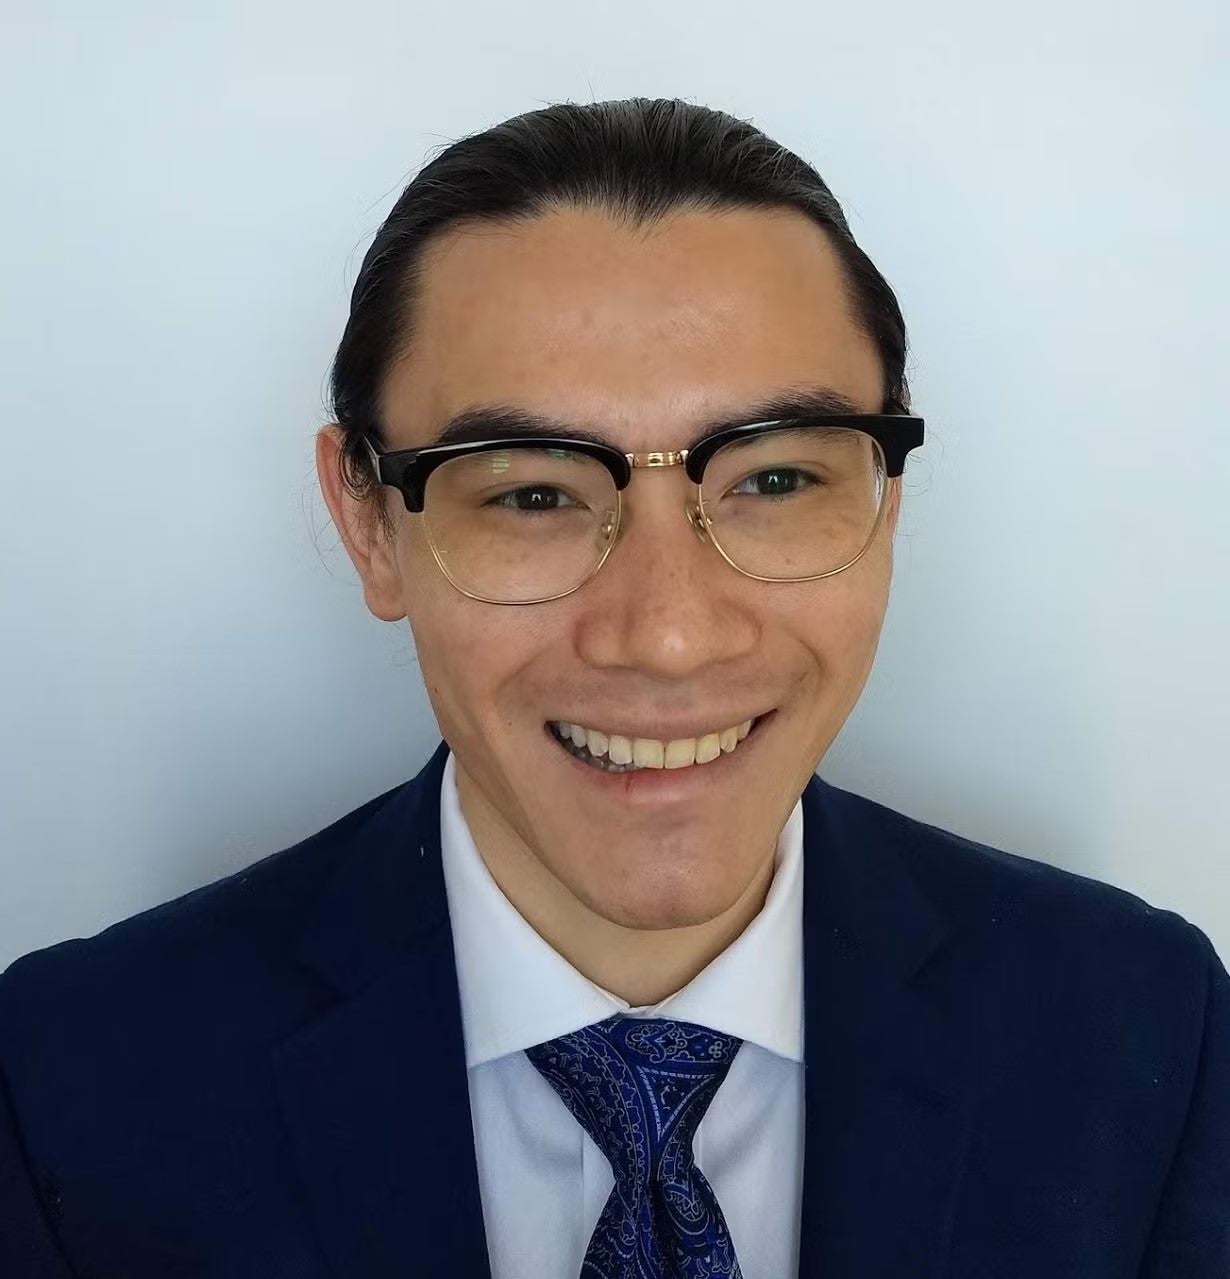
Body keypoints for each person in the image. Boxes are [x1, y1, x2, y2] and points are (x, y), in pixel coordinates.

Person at [1, 97, 1226, 1279]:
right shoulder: (69, 1083)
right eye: (531, 492)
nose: (670, 637)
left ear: (887, 496)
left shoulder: (1147, 1032)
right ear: (369, 522)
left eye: (778, 480)